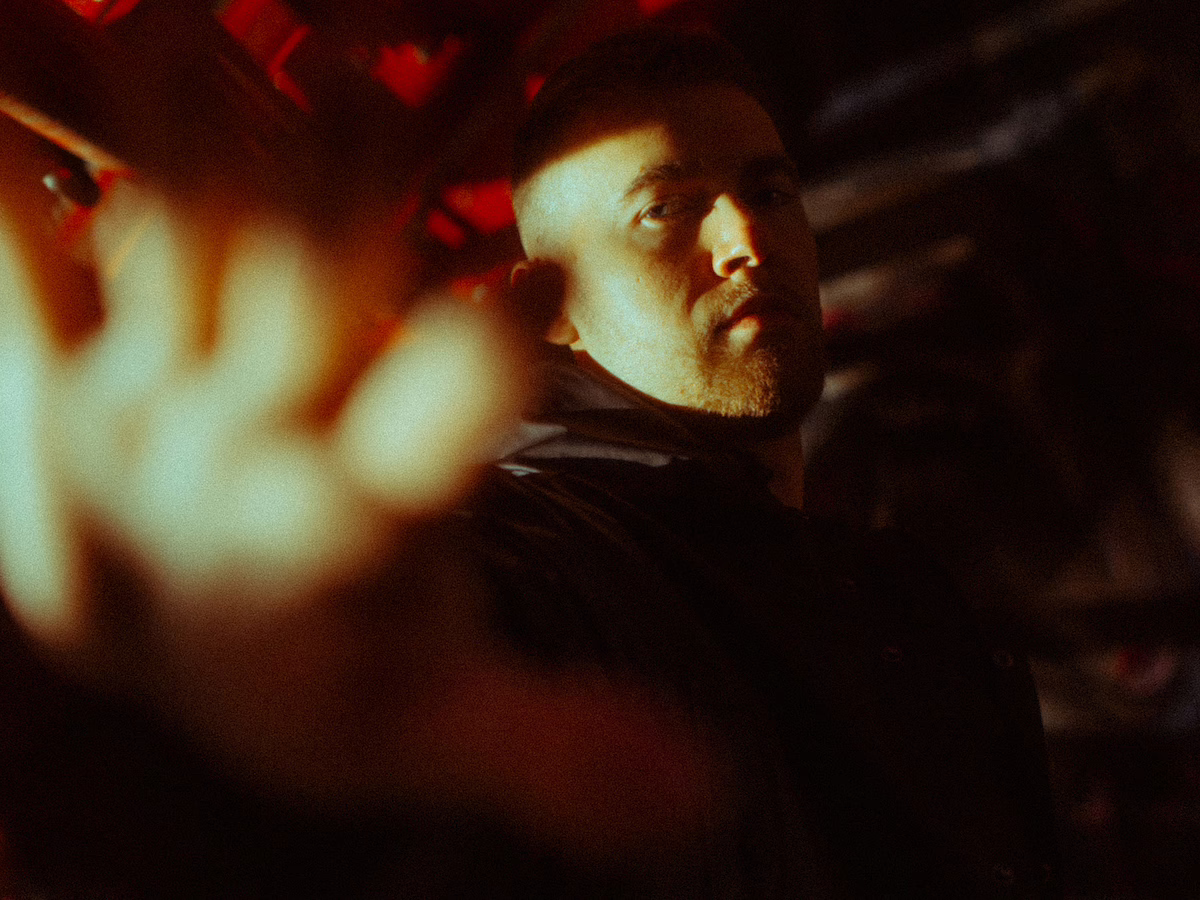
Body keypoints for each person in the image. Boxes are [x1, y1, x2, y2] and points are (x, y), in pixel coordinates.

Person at [0, 24, 1059, 898]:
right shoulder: (566, 554)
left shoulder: (890, 586)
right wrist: (194, 722)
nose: (746, 235)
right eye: (665, 209)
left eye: (770, 189)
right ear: (551, 313)